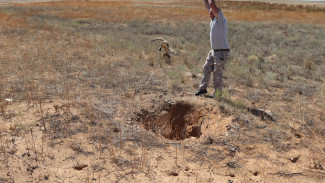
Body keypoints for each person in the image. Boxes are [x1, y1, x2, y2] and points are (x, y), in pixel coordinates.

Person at [195, 0, 230, 98]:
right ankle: (203, 89)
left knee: (217, 73)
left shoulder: (221, 19)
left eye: (212, 11)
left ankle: (217, 95)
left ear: (217, 12)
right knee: (206, 68)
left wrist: (211, 3)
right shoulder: (214, 20)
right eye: (210, 12)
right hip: (214, 51)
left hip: (222, 52)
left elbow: (211, 4)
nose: (210, 12)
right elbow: (208, 5)